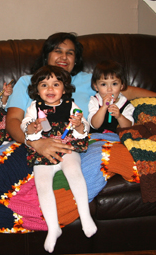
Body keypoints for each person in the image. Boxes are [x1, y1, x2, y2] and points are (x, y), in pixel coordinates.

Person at [6, 32, 156, 164]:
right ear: (46, 55)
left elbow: (127, 91)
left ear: (76, 59)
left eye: (70, 53)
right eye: (58, 51)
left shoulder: (88, 80)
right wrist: (35, 143)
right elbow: (13, 120)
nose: (64, 57)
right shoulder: (26, 82)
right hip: (39, 141)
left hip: (83, 143)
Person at [21, 65, 96, 253]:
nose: (50, 89)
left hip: (67, 145)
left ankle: (85, 216)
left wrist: (78, 126)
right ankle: (53, 227)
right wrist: (31, 128)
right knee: (43, 184)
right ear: (36, 90)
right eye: (44, 85)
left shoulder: (71, 105)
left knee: (74, 171)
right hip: (43, 149)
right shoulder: (34, 107)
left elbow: (84, 129)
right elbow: (25, 125)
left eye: (56, 84)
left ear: (64, 88)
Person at [88, 60, 134, 133]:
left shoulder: (126, 104)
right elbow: (95, 125)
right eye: (103, 84)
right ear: (96, 87)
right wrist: (103, 108)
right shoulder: (95, 100)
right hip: (96, 136)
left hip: (117, 139)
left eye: (114, 84)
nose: (109, 89)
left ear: (122, 85)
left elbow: (128, 127)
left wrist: (119, 116)